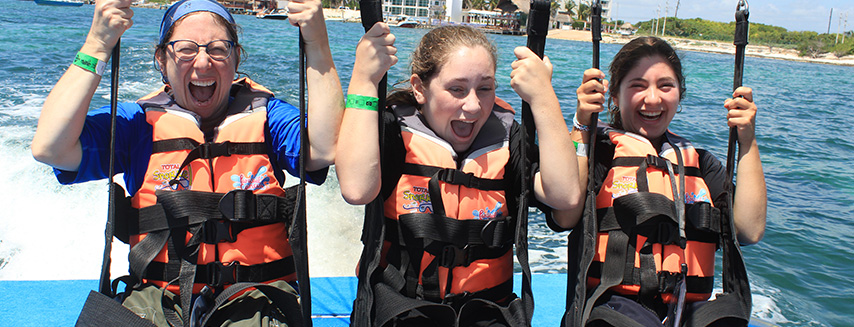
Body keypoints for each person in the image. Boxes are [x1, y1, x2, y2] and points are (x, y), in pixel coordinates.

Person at [30, 0, 343, 325]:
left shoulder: (270, 119)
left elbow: (325, 147)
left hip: (256, 295)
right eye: (185, 49)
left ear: (236, 58)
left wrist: (317, 43)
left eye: (219, 49)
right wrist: (97, 45)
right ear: (162, 60)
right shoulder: (136, 124)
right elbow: (51, 147)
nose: (204, 62)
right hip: (157, 296)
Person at [336, 24, 583, 326]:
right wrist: (364, 79)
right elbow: (356, 190)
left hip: (488, 313)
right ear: (419, 88)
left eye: (485, 88)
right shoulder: (391, 135)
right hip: (400, 311)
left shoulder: (510, 142)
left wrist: (543, 98)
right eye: (457, 89)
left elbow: (566, 195)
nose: (473, 105)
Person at [560, 36, 766, 327]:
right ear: (615, 97)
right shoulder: (600, 155)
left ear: (680, 95)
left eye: (665, 86)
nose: (653, 99)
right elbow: (565, 213)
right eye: (638, 85)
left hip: (689, 310)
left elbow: (750, 230)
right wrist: (582, 124)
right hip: (613, 307)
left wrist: (747, 140)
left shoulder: (702, 164)